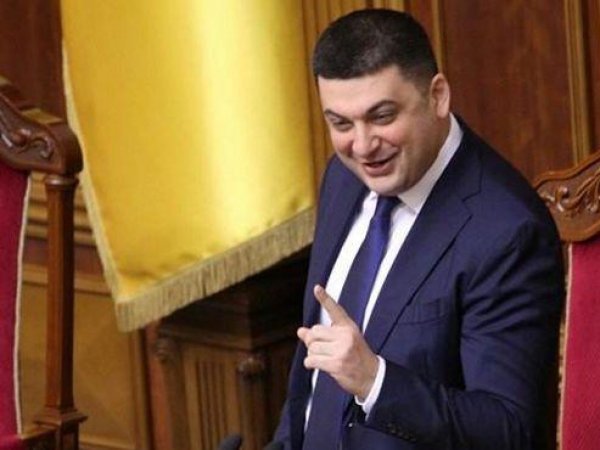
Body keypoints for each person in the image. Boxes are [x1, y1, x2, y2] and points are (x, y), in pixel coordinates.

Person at [273, 8, 564, 450]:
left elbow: (508, 430)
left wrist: (375, 381)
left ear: (438, 96)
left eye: (382, 116)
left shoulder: (506, 231)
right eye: (341, 123)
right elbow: (313, 374)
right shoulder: (342, 178)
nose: (363, 146)